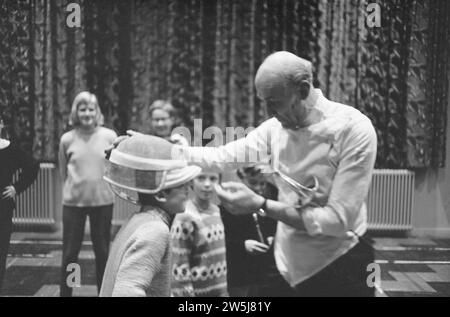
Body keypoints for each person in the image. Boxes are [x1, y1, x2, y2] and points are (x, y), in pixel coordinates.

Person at [117, 51, 377, 296]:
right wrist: (146, 145)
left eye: (274, 103)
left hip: (341, 260)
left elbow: (336, 221)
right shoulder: (274, 129)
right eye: (264, 103)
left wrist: (261, 205)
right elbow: (223, 156)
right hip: (289, 261)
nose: (268, 113)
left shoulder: (353, 129)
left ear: (303, 89)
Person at [99, 135, 201, 297]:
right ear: (160, 194)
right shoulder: (156, 231)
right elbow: (126, 292)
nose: (188, 189)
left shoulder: (139, 219)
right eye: (181, 185)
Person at [58, 91, 117, 297]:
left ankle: (104, 293)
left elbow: (115, 168)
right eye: (82, 109)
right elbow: (63, 172)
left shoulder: (109, 136)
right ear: (76, 112)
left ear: (96, 112)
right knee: (69, 256)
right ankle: (66, 293)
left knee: (102, 254)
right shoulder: (67, 139)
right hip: (73, 205)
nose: (87, 113)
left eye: (91, 109)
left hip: (103, 203)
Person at [220, 165, 284, 297]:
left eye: (263, 184)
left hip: (263, 271)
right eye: (253, 183)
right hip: (239, 273)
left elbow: (275, 225)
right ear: (241, 179)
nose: (258, 188)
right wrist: (243, 245)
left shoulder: (271, 198)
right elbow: (221, 241)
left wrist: (273, 236)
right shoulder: (228, 205)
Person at [171, 169, 228, 297]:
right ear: (191, 182)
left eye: (213, 179)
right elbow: (180, 267)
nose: (207, 184)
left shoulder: (216, 211)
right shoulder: (185, 216)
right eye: (201, 178)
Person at [0, 118, 39, 293]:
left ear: (1, 124)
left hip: (2, 208)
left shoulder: (10, 149)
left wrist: (16, 187)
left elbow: (32, 166)